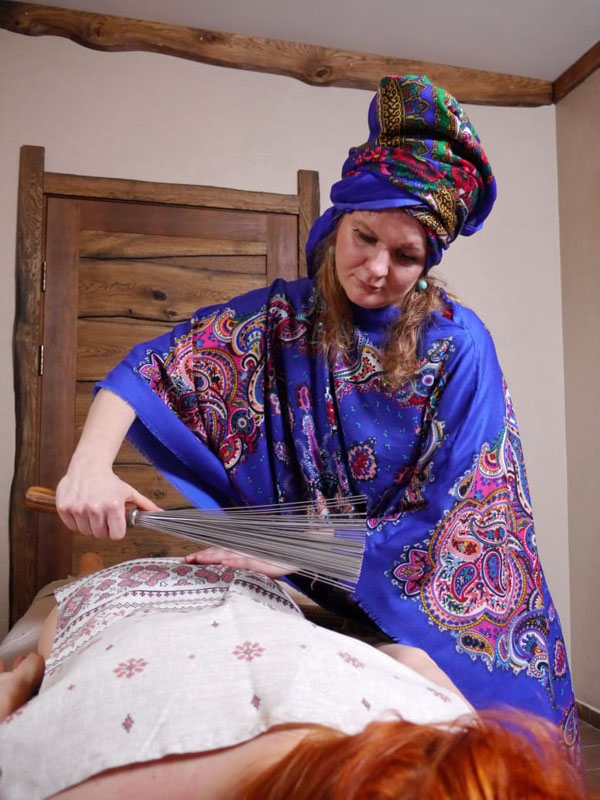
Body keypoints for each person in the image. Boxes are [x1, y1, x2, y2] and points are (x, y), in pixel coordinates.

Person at [55, 75, 578, 757]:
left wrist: (293, 545)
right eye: (365, 237)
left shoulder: (460, 347)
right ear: (338, 222)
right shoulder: (282, 319)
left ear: (429, 263)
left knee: (499, 766)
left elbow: (460, 524)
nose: (377, 268)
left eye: (406, 255)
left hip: (471, 621)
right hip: (346, 597)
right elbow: (147, 369)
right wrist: (90, 466)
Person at [0, 558, 587, 799]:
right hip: (251, 599)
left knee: (79, 589)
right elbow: (411, 656)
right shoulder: (459, 759)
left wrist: (24, 679)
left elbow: (411, 658)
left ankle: (87, 574)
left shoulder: (53, 771)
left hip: (124, 603)